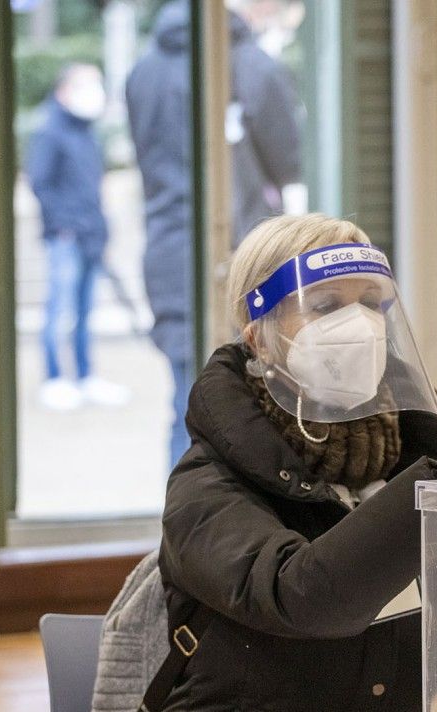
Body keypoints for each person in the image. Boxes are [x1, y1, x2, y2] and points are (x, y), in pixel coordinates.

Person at [143, 213, 437, 712]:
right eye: (326, 306)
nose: (359, 326)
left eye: (374, 305)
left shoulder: (410, 458)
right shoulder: (206, 485)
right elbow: (303, 597)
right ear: (256, 332)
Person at [126, 0, 302, 465]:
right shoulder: (252, 67)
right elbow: (288, 161)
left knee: (187, 403)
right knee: (247, 409)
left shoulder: (143, 72)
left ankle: (180, 520)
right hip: (242, 255)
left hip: (168, 252)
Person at [25, 63, 131, 411]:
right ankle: (54, 378)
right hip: (66, 237)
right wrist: (65, 225)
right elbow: (40, 183)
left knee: (85, 310)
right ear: (65, 90)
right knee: (60, 308)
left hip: (90, 234)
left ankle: (86, 375)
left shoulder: (86, 131)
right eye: (87, 85)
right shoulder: (50, 131)